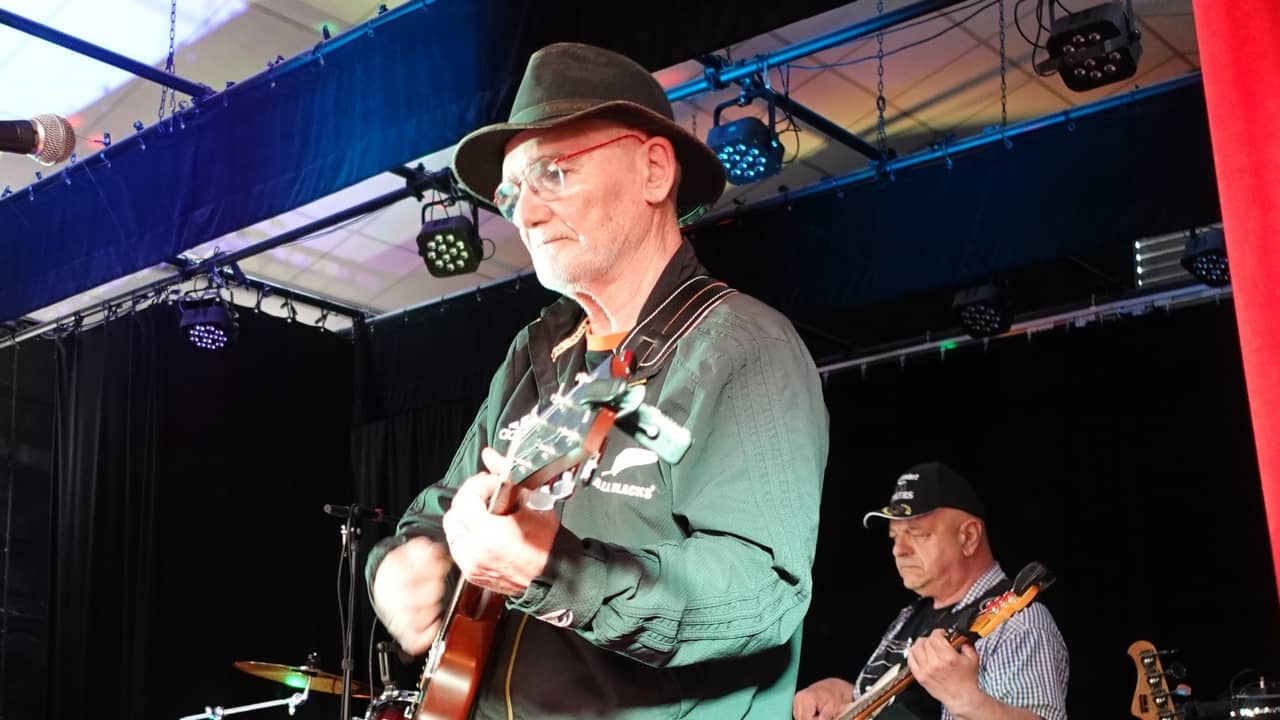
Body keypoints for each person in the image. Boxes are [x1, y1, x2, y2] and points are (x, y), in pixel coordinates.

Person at [365, 42, 829, 720]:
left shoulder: (741, 346)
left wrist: (556, 570)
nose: (523, 215)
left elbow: (764, 594)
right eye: (512, 191)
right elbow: (439, 507)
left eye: (552, 173)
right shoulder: (538, 351)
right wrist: (399, 566)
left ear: (653, 170)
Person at [793, 462, 1069, 720]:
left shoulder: (1019, 625)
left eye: (917, 533)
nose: (898, 550)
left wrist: (970, 702)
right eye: (894, 537)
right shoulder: (912, 614)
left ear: (969, 537)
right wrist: (842, 693)